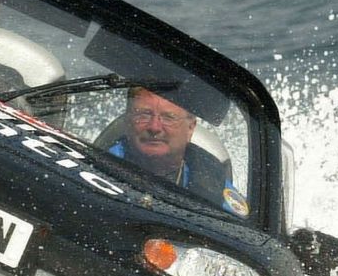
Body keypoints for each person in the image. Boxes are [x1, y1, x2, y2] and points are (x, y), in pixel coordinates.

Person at [107, 87, 250, 217]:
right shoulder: (101, 165)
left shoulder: (212, 181)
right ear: (127, 121)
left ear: (190, 128)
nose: (154, 127)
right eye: (144, 115)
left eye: (169, 117)